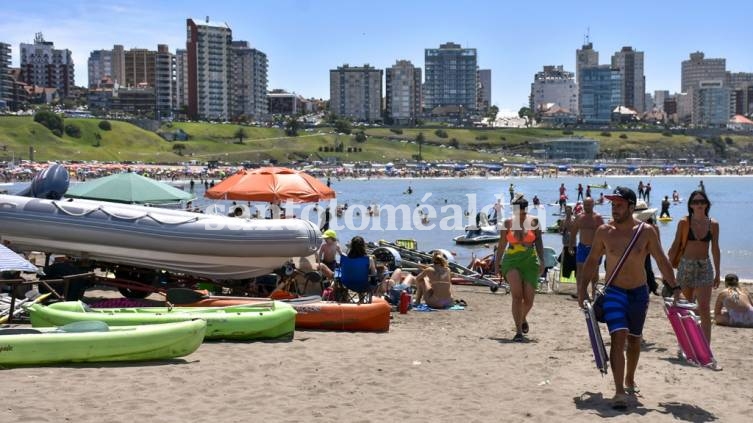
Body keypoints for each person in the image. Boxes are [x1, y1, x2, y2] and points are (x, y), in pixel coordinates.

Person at [580, 186, 681, 410]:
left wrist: (674, 286)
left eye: (619, 205)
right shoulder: (604, 231)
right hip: (614, 291)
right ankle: (618, 391)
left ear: (631, 206)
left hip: (638, 292)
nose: (614, 209)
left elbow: (662, 260)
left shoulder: (647, 232)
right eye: (612, 205)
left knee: (634, 339)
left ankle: (629, 379)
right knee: (618, 336)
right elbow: (591, 262)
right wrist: (581, 290)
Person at [669, 190, 721, 345]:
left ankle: (705, 347)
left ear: (706, 204)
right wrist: (668, 271)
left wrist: (718, 272)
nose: (699, 205)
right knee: (685, 307)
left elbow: (715, 249)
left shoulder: (713, 224)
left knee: (704, 308)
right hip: (686, 266)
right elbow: (676, 244)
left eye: (702, 202)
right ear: (691, 205)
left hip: (705, 267)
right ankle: (685, 345)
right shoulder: (684, 222)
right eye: (696, 202)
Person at [495, 194, 544, 342]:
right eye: (518, 213)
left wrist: (542, 260)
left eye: (523, 213)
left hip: (530, 259)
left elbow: (539, 242)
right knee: (517, 296)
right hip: (511, 260)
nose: (521, 216)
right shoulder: (507, 223)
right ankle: (518, 332)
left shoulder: (534, 221)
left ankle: (522, 318)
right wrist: (497, 263)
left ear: (527, 210)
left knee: (529, 300)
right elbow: (502, 243)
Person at [570, 197, 604, 297]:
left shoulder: (598, 217)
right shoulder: (579, 217)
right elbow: (573, 232)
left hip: (595, 248)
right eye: (585, 205)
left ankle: (594, 293)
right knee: (580, 271)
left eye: (589, 205)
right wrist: (571, 246)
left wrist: (603, 248)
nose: (586, 207)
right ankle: (580, 292)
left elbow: (603, 233)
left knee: (594, 272)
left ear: (593, 205)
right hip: (582, 247)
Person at [559, 205, 577, 280]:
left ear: (571, 211)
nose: (568, 212)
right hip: (565, 242)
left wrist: (572, 232)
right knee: (564, 260)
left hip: (573, 243)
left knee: (573, 260)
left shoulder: (574, 219)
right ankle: (566, 275)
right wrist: (562, 231)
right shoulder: (563, 221)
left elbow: (577, 230)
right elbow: (559, 231)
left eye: (569, 210)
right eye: (566, 210)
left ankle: (575, 275)